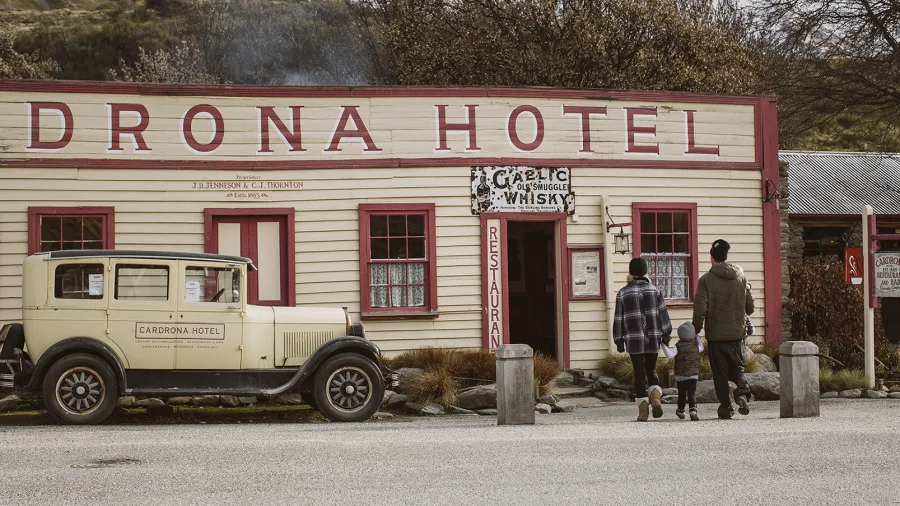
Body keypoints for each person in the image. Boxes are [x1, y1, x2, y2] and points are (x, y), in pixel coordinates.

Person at [692, 239, 755, 420]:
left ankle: (726, 407)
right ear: (726, 257)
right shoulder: (741, 278)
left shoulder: (705, 280)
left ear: (712, 257)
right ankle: (742, 392)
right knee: (738, 368)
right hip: (737, 334)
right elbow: (750, 307)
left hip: (716, 337)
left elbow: (700, 310)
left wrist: (694, 331)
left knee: (720, 374)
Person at [613, 258, 672, 422]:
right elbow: (664, 317)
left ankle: (643, 411)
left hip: (633, 339)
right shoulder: (655, 291)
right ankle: (655, 397)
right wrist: (666, 335)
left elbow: (618, 319)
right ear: (645, 272)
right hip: (653, 338)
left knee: (639, 372)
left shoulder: (623, 293)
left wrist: (619, 341)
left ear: (631, 273)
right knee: (651, 370)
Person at [663, 322, 702, 421]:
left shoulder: (678, 345)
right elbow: (702, 348)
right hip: (693, 375)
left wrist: (663, 344)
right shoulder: (696, 345)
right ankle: (693, 411)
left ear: (680, 335)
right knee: (692, 393)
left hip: (681, 376)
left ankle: (681, 410)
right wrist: (698, 338)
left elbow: (670, 355)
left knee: (682, 393)